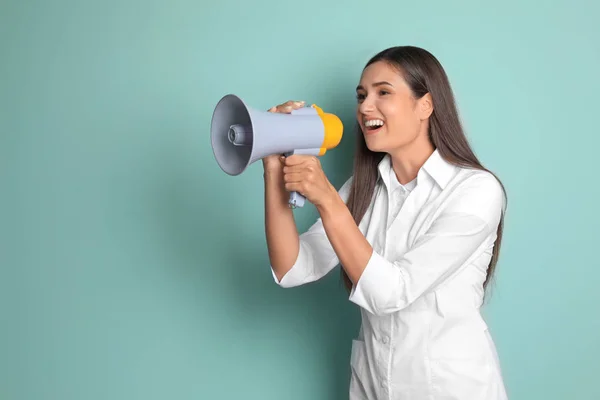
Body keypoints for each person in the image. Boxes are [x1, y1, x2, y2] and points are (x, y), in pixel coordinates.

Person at [262, 45, 508, 400]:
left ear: (426, 105)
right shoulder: (364, 189)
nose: (364, 107)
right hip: (376, 389)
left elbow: (392, 292)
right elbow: (292, 268)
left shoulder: (476, 191)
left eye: (383, 93)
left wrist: (328, 200)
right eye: (361, 96)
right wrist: (273, 170)